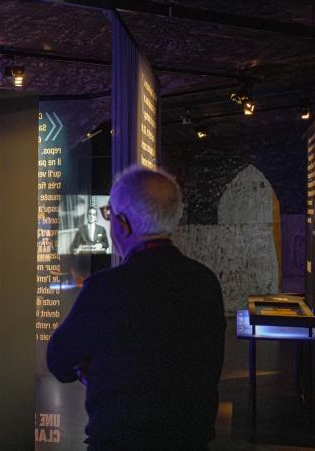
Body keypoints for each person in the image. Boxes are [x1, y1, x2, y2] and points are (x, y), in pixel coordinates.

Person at [47, 167, 225, 450]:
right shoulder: (205, 282)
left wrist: (95, 369)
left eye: (109, 215)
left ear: (122, 224)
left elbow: (59, 361)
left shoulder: (105, 289)